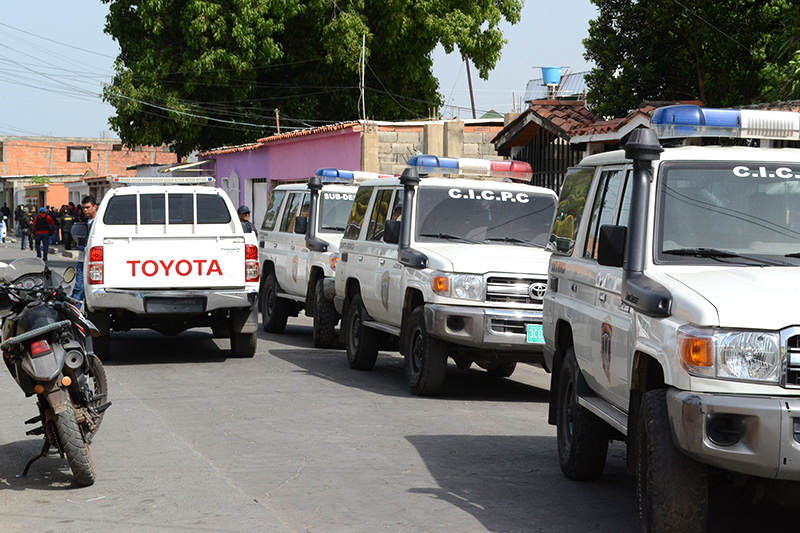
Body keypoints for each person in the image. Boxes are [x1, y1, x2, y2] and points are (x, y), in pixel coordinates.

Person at [71, 195, 98, 302]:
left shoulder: (100, 222)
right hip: (82, 260)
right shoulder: (84, 221)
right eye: (84, 208)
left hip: (95, 261)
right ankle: (72, 315)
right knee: (79, 289)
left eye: (88, 207)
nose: (85, 210)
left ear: (95, 207)